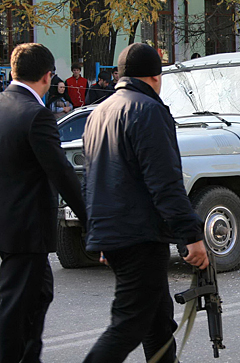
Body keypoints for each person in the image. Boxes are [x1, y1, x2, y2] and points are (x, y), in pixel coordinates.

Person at [82, 43, 209, 363]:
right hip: (140, 235)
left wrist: (101, 237)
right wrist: (190, 235)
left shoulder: (99, 113)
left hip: (118, 234)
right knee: (129, 325)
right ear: (156, 76)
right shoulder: (149, 110)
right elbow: (165, 182)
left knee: (156, 322)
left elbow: (93, 181)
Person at [0, 43, 86, 362]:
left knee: (39, 295)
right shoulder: (37, 115)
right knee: (15, 311)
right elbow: (62, 173)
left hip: (10, 226)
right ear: (48, 77)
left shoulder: (3, 104)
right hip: (28, 230)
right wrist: (92, 221)